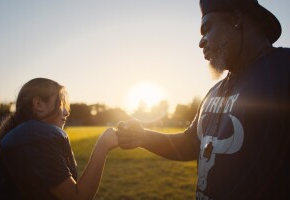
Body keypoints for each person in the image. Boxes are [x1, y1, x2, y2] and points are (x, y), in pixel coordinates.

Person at [116, 0, 290, 199]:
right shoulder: (215, 90)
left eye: (206, 29)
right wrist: (143, 137)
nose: (201, 42)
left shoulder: (284, 68)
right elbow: (192, 142)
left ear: (235, 19)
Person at [0, 78, 118, 200]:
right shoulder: (35, 139)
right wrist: (103, 146)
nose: (66, 112)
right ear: (38, 104)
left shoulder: (25, 136)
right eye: (61, 103)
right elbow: (78, 197)